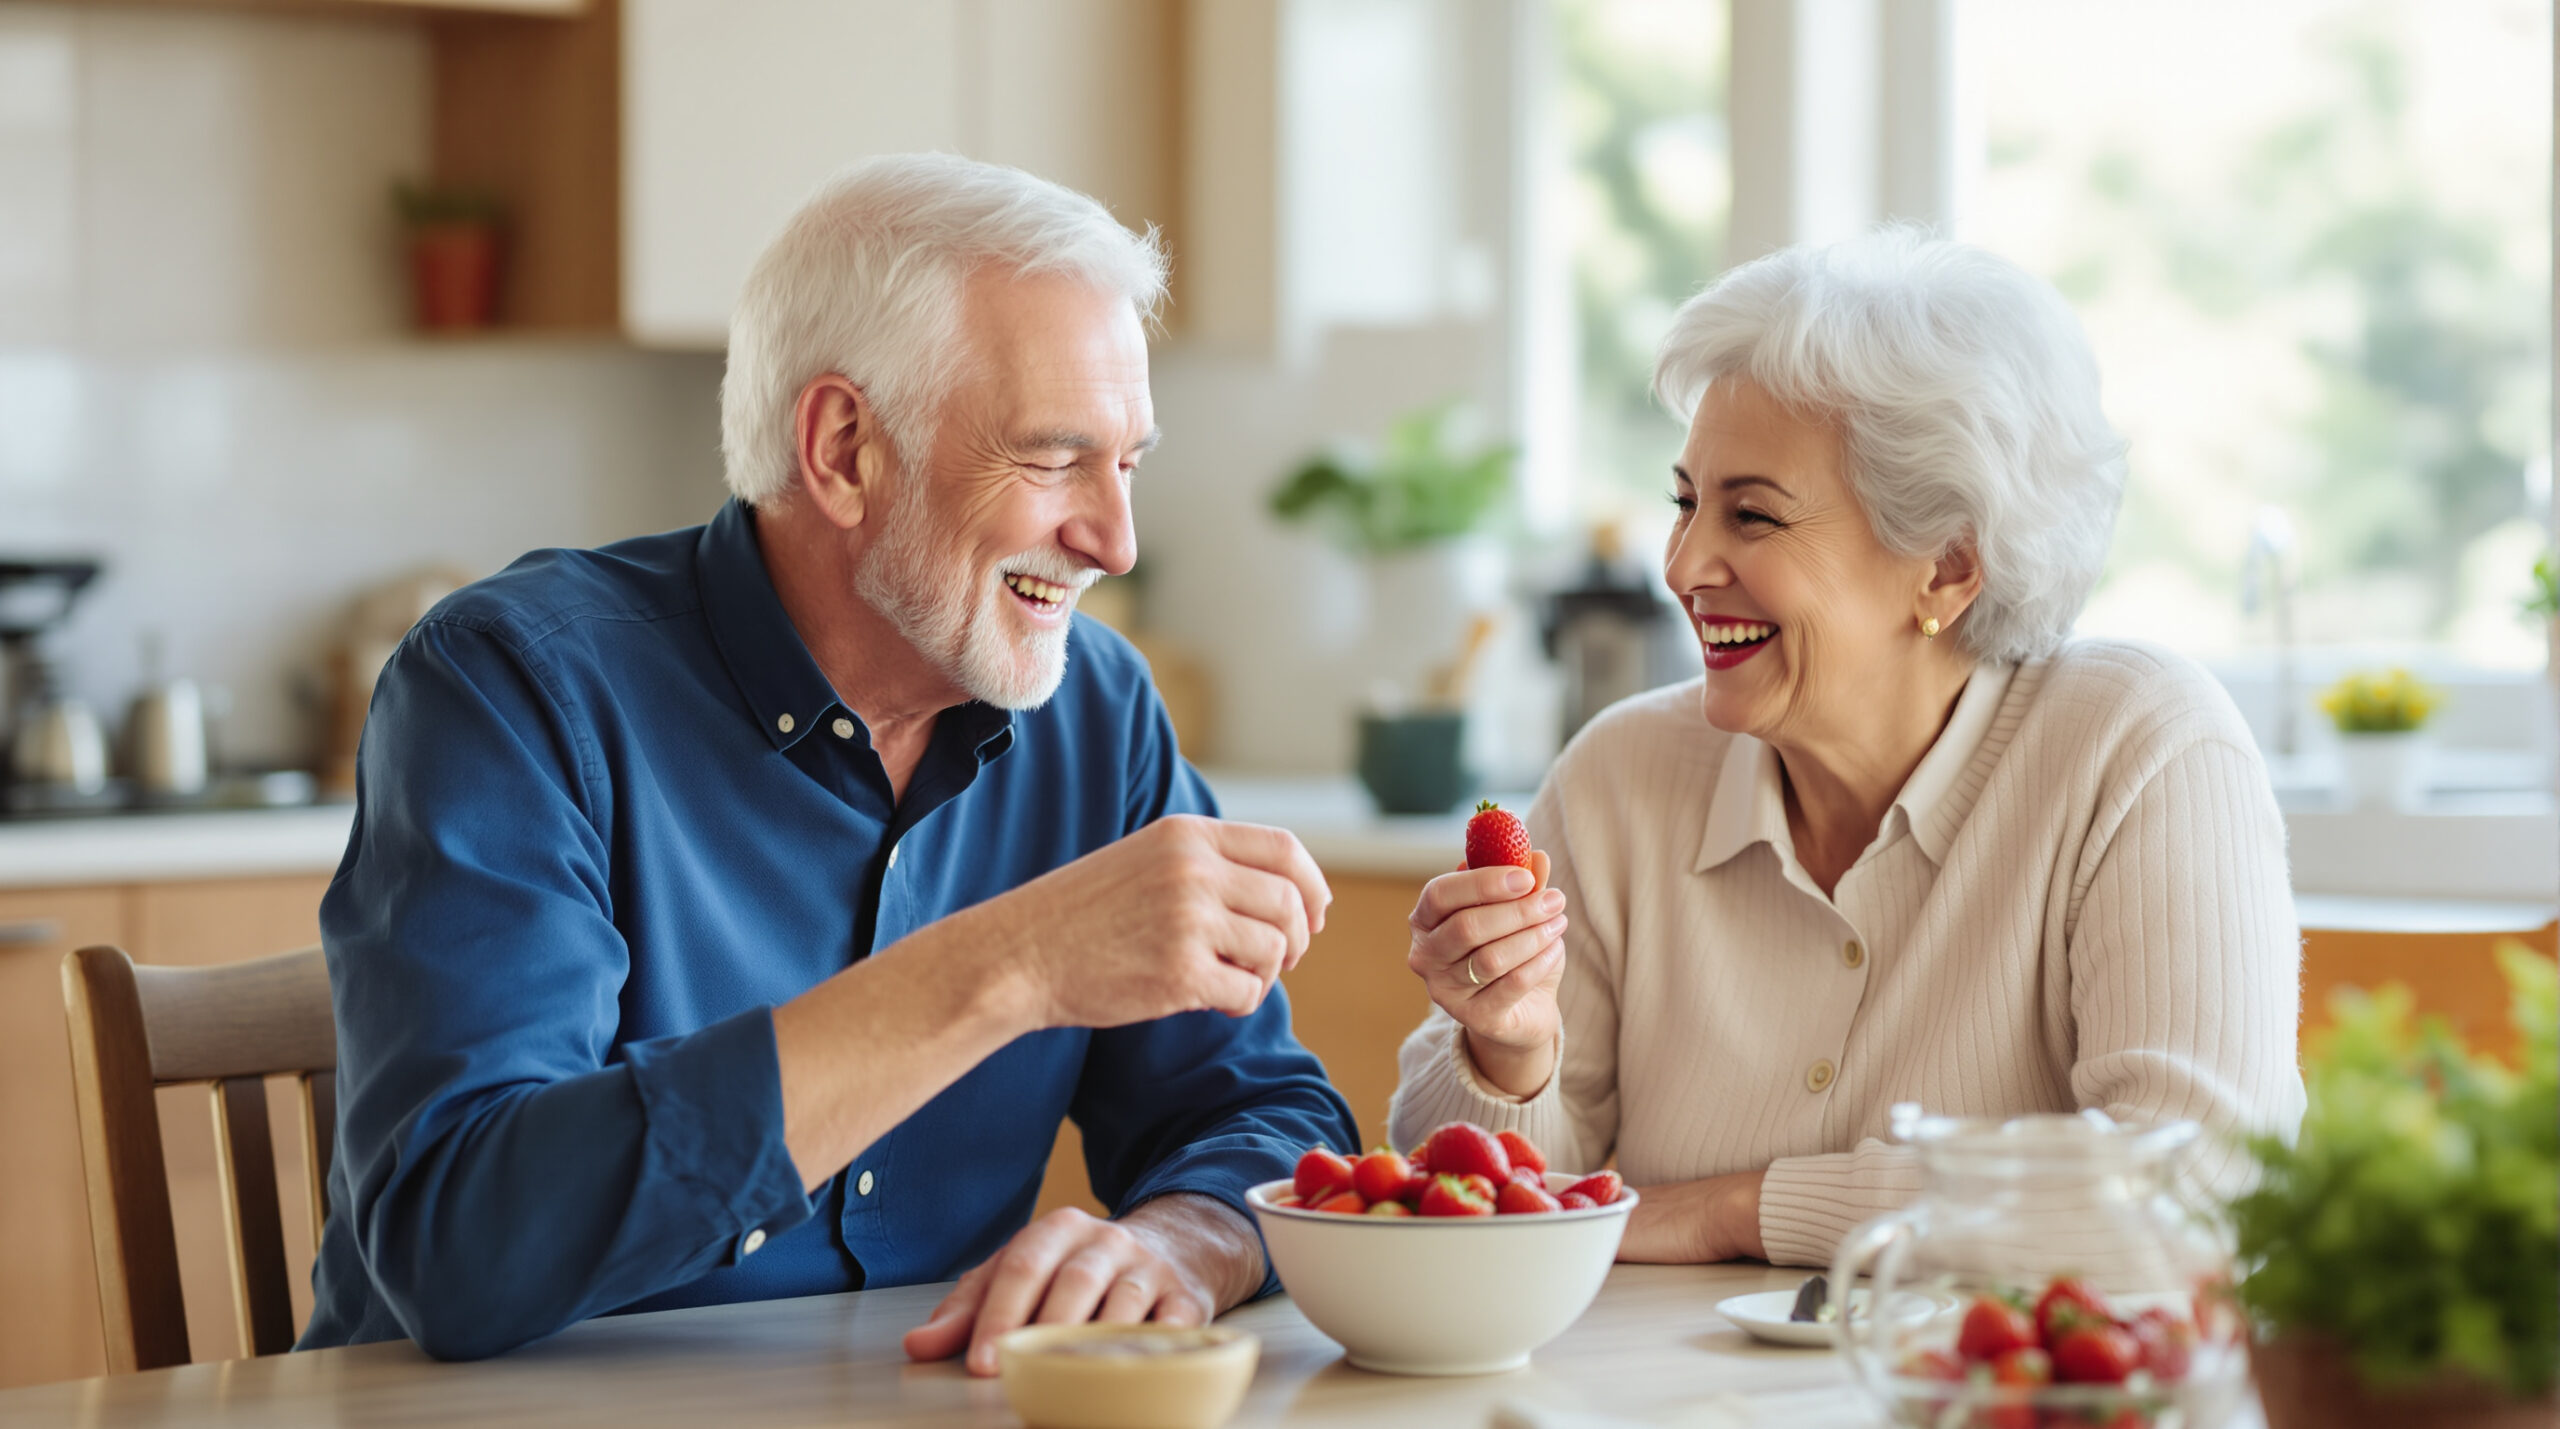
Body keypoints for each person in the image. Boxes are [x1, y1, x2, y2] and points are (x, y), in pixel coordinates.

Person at [302, 154, 1358, 1371]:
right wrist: (1012, 966)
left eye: (1126, 464)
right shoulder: (513, 686)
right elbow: (462, 1242)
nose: (1113, 541)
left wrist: (1182, 1243)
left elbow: (1260, 1112)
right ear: (846, 449)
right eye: (1053, 458)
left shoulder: (1098, 712)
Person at [1387, 229, 2306, 1269]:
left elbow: (2202, 1189)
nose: (1683, 565)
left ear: (1946, 567)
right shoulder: (1620, 775)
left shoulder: (2139, 746)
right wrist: (1508, 1051)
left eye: (1752, 516)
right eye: (1685, 503)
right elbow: (1459, 1213)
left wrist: (1737, 1210)